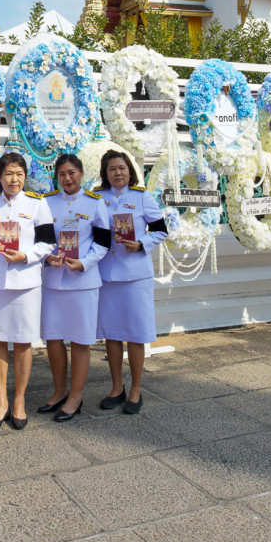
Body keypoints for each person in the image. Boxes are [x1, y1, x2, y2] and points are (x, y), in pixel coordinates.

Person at [0, 152, 55, 431]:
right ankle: (1, 403)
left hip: (26, 285)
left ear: (25, 177)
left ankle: (20, 400)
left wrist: (25, 256)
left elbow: (48, 243)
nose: (14, 179)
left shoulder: (38, 204)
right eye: (9, 174)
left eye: (19, 174)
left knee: (23, 342)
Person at [92, 149, 166, 415]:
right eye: (112, 169)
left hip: (135, 275)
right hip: (108, 275)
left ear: (130, 170)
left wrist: (141, 244)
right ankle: (116, 387)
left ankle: (136, 389)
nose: (117, 173)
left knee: (135, 334)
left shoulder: (142, 197)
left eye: (122, 168)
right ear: (106, 173)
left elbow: (160, 230)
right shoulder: (97, 198)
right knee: (111, 333)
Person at [40, 152, 107, 423]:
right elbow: (40, 240)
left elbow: (103, 242)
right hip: (54, 282)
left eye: (72, 173)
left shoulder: (94, 203)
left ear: (81, 173)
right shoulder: (46, 203)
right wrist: (47, 257)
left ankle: (76, 396)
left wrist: (85, 263)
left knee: (80, 340)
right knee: (53, 339)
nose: (67, 179)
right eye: (62, 174)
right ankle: (59, 392)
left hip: (83, 283)